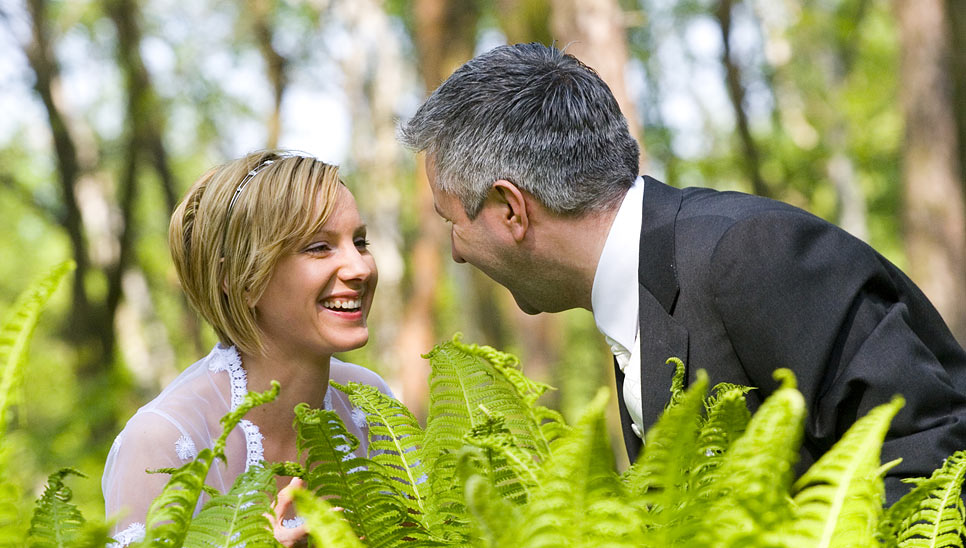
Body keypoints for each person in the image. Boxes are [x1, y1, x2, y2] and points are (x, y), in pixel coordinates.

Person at [398, 42, 966, 503]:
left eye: (452, 221)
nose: (455, 253)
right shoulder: (640, 290)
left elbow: (932, 448)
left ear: (510, 210)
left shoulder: (748, 254)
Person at [103, 150, 390, 548]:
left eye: (360, 242)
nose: (360, 267)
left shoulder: (370, 403)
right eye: (319, 247)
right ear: (237, 278)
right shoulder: (160, 442)